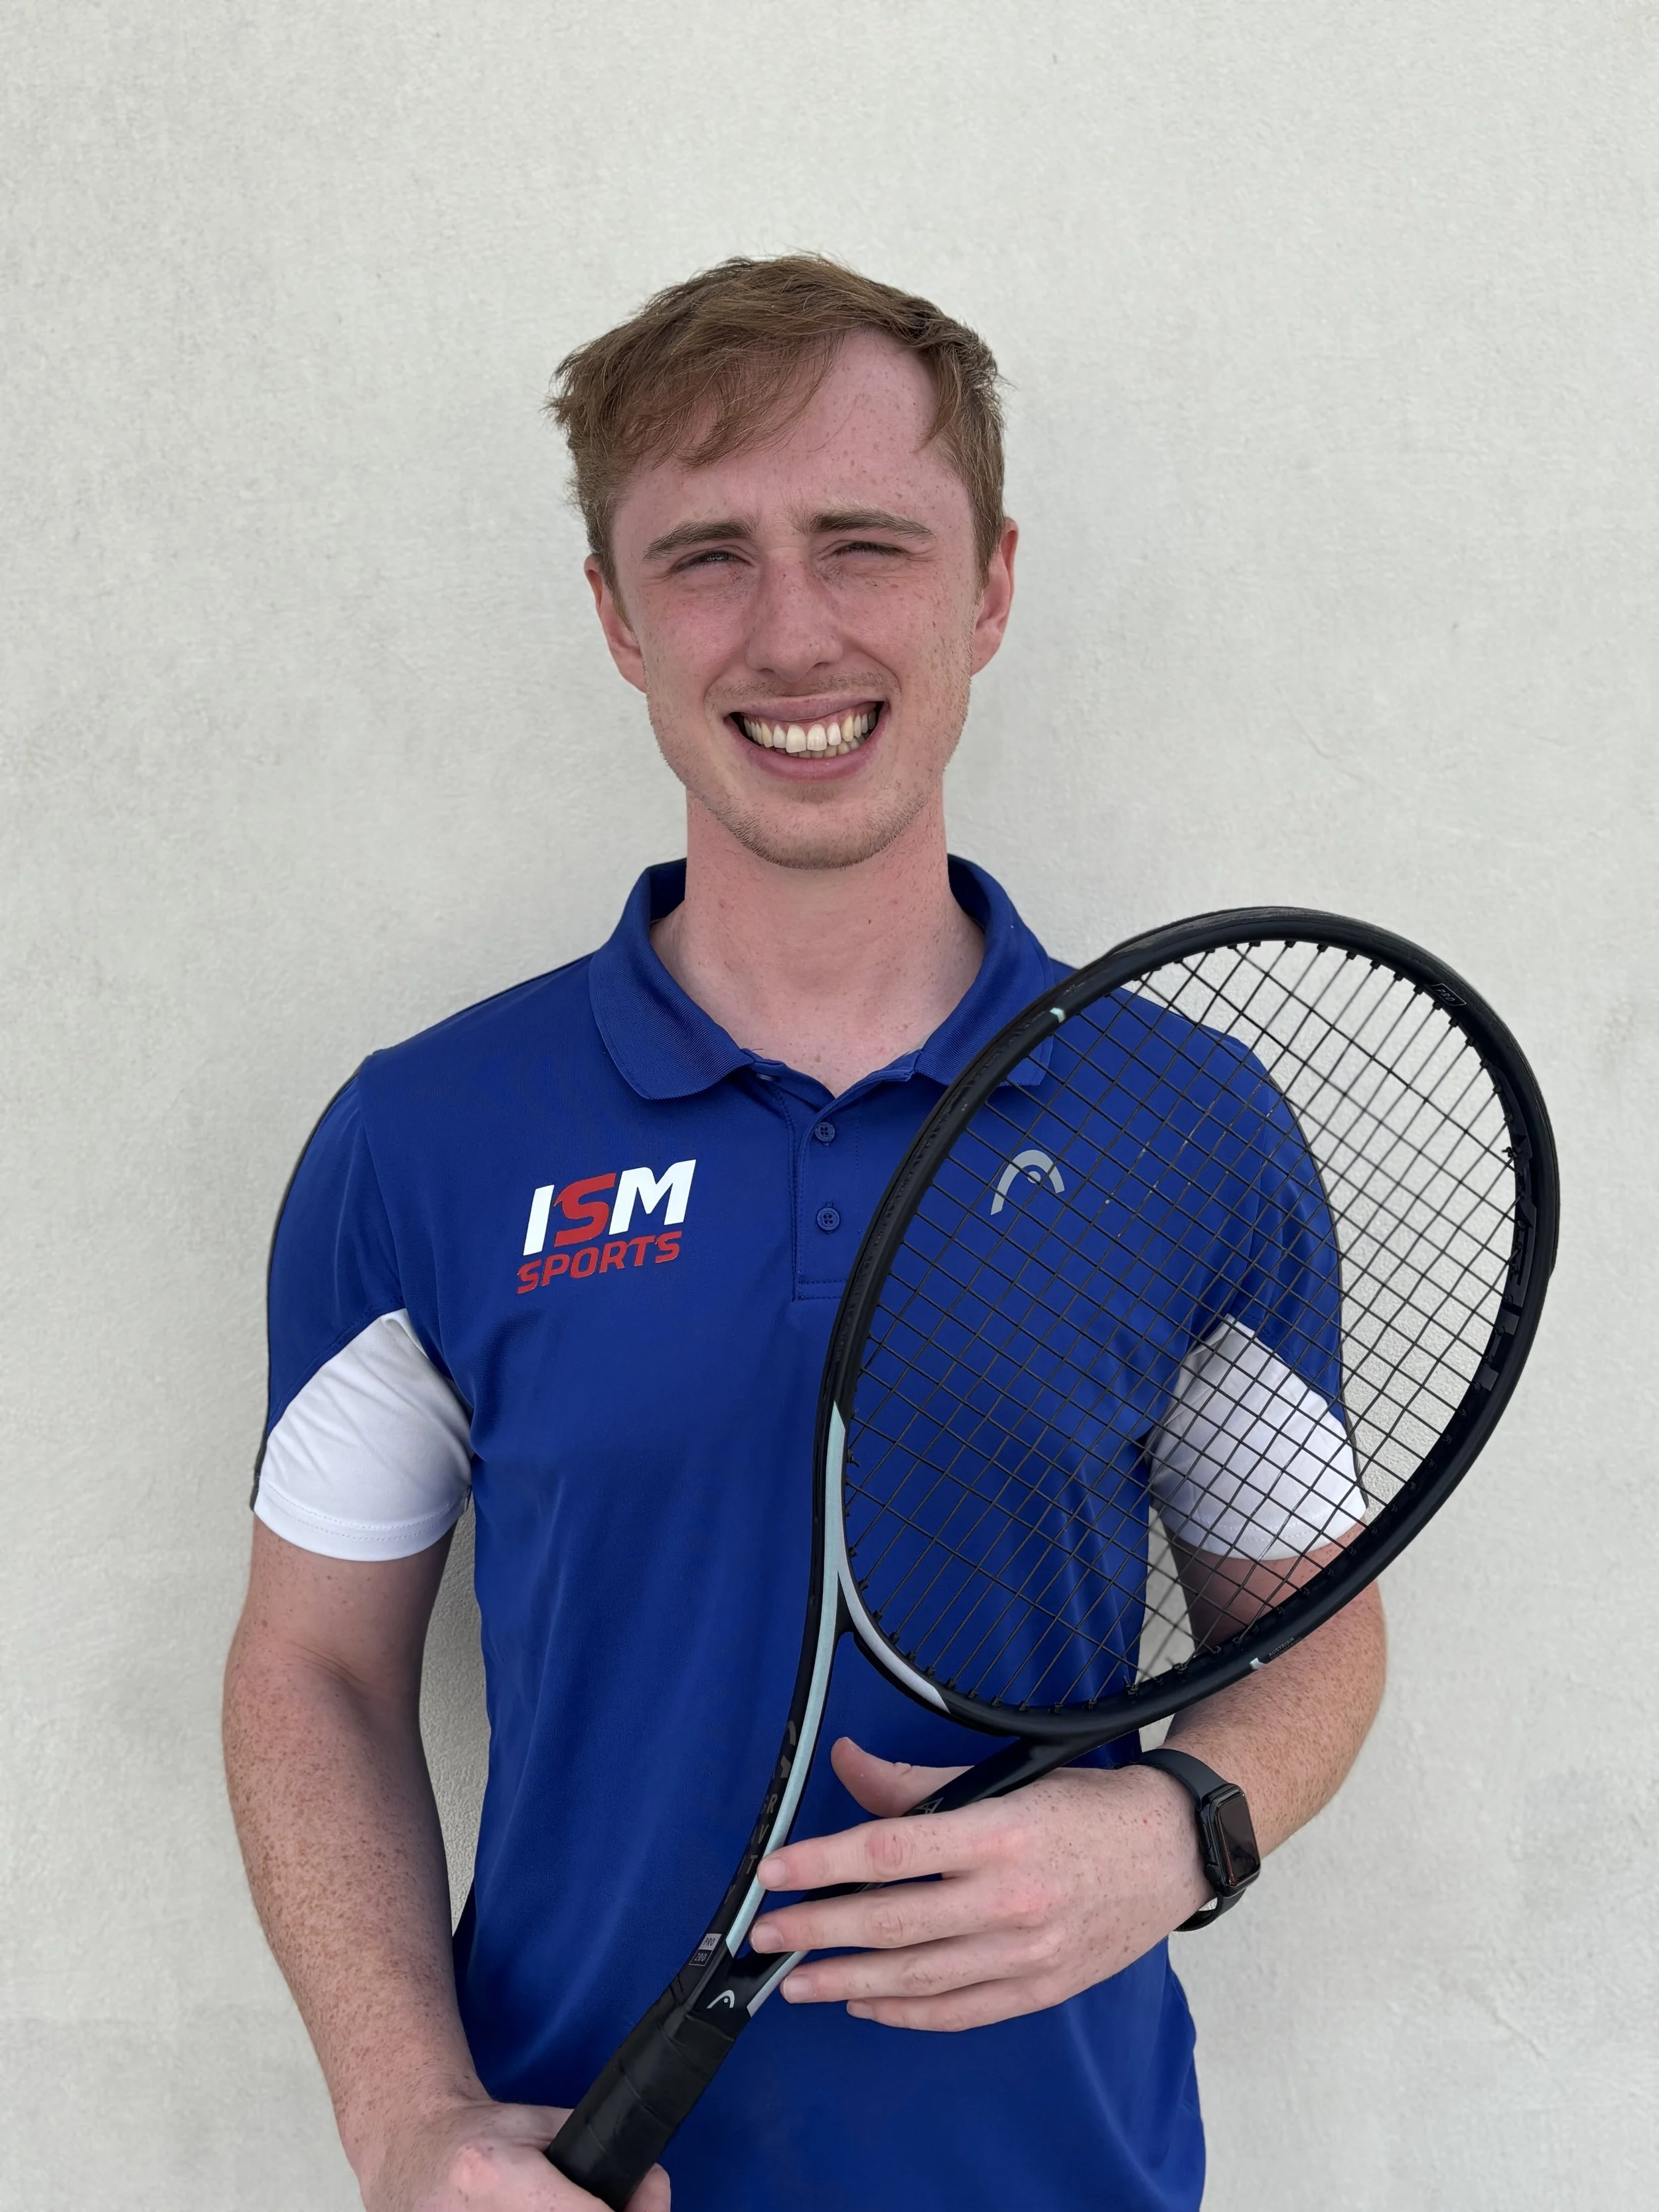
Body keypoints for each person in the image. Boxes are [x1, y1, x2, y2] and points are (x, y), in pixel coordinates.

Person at [222, 256, 1386, 2212]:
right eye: (704, 556)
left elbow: (1311, 1627)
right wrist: (405, 2116)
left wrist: (1179, 1827)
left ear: (989, 586)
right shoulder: (421, 1140)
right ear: (612, 616)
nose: (792, 631)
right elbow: (313, 1672)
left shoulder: (1189, 1125)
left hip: (1068, 2174)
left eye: (865, 543)